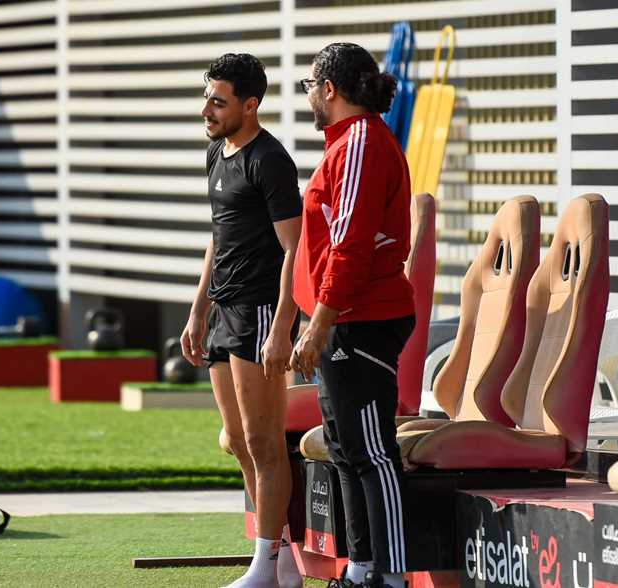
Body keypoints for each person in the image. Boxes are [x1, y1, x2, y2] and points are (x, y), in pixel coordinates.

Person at [290, 43, 416, 588]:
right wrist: (314, 318)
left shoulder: (361, 140)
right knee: (344, 451)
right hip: (342, 317)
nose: (309, 98)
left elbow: (350, 246)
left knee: (372, 453)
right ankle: (362, 569)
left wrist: (319, 323)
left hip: (363, 319)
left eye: (309, 87)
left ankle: (392, 576)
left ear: (329, 88)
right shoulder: (346, 142)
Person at [181, 53, 303, 588]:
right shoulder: (217, 152)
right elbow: (219, 235)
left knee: (263, 442)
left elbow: (296, 248)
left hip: (259, 310)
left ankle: (266, 566)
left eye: (218, 101)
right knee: (234, 438)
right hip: (223, 311)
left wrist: (282, 326)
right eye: (206, 98)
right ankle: (284, 561)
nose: (206, 109)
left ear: (250, 105)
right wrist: (197, 309)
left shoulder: (270, 160)